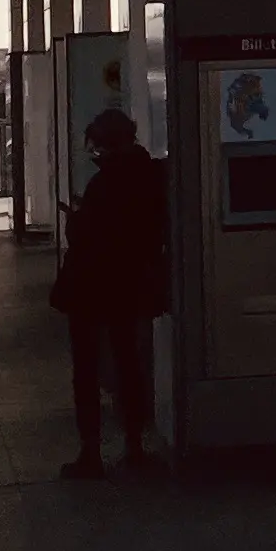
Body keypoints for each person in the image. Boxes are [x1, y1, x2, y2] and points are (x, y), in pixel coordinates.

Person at [48, 107, 168, 476]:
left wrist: (77, 219)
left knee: (86, 369)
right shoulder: (151, 176)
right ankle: (134, 447)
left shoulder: (105, 184)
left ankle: (91, 453)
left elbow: (88, 237)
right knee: (129, 365)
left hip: (92, 289)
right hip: (130, 285)